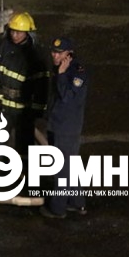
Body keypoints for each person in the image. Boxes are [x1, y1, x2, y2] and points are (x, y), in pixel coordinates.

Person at [0, 12, 49, 154]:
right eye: (13, 31)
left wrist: (38, 109)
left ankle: (23, 170)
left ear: (28, 33)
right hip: (4, 102)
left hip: (23, 107)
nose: (15, 35)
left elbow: (41, 86)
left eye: (19, 32)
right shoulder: (3, 45)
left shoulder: (35, 55)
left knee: (24, 140)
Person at [40, 37, 89, 219]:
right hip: (58, 125)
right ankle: (77, 203)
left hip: (66, 129)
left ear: (69, 54)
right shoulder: (61, 68)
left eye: (59, 52)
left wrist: (61, 74)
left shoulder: (76, 72)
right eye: (53, 51)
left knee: (62, 169)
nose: (54, 55)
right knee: (70, 168)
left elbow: (67, 96)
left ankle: (58, 208)